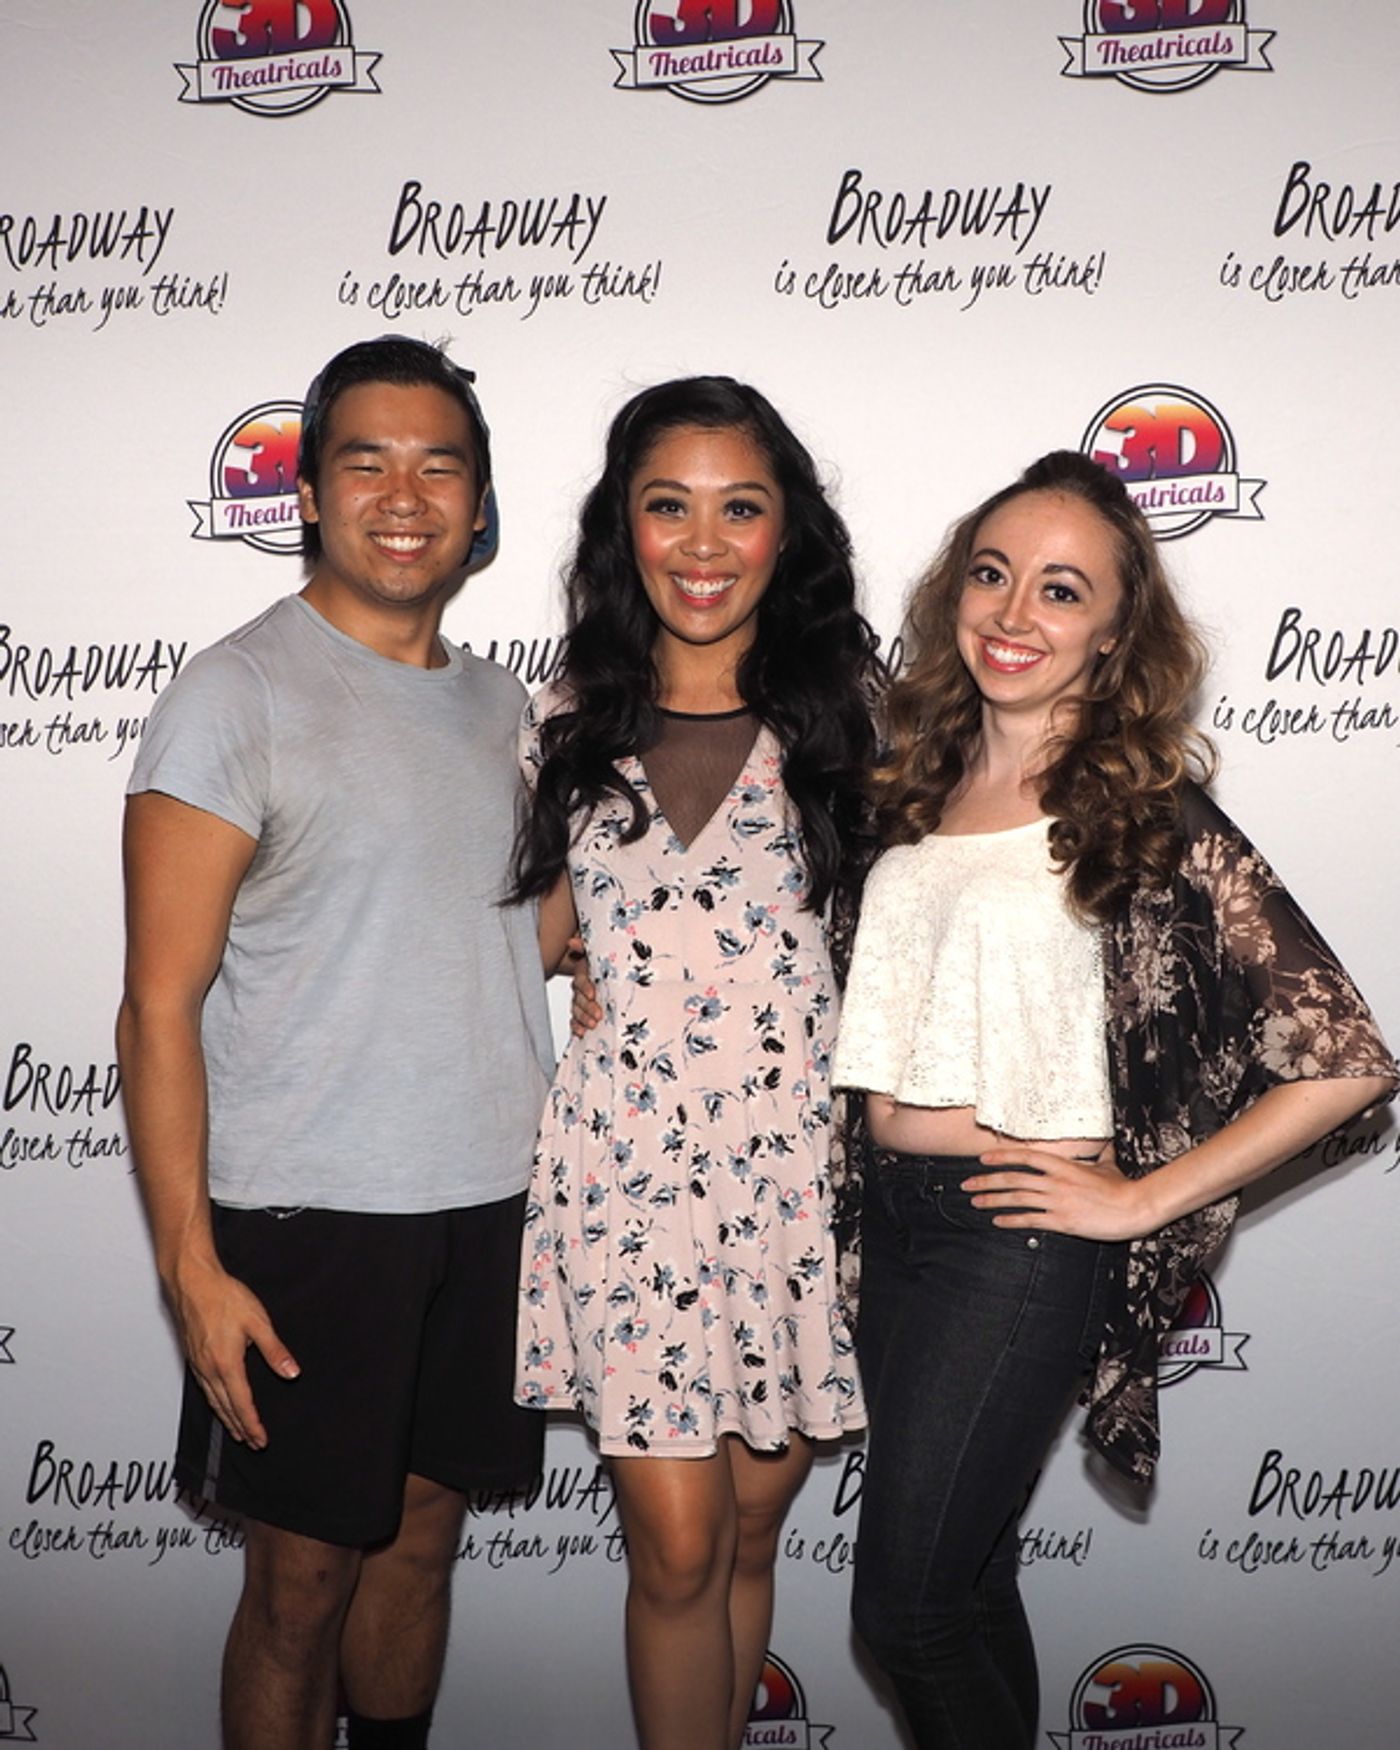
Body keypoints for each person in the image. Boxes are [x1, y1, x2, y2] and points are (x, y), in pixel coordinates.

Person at [832, 449, 1397, 1750]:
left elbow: (1349, 1055)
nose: (1013, 612)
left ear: (1116, 633)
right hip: (893, 1226)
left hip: (1013, 1239)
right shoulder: (912, 786)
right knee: (965, 1585)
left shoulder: (1145, 809)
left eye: (1062, 589)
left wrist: (1143, 1194)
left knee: (905, 1610)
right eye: (991, 574)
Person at [116, 336, 553, 1750]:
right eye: (366, 461)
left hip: (492, 1201)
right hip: (307, 1219)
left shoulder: (503, 706)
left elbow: (503, 932)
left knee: (423, 1545)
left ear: (480, 505)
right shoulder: (233, 695)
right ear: (307, 491)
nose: (405, 494)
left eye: (441, 464)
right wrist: (189, 1260)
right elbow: (157, 1004)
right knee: (300, 1581)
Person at [509, 376, 880, 1750]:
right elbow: (519, 932)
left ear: (788, 534)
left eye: (742, 505)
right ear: (626, 527)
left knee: (739, 1545)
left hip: (794, 1191)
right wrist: (593, 956)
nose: (705, 540)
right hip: (629, 1192)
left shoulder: (853, 729)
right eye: (670, 504)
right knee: (673, 1546)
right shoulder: (556, 727)